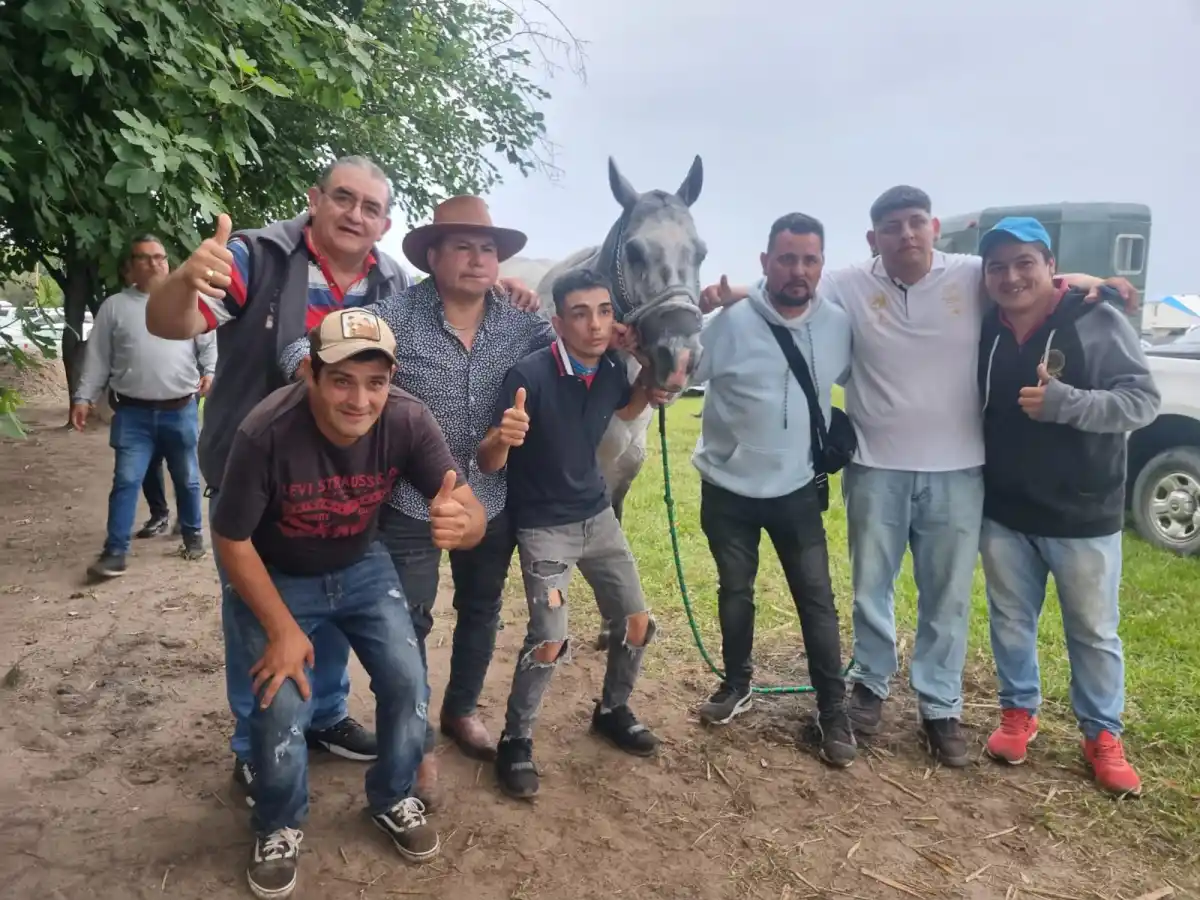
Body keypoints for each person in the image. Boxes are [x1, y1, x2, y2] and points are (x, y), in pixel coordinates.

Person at [701, 186, 1139, 766]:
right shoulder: (848, 282)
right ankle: (870, 689)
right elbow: (783, 286)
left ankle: (940, 707)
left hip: (959, 469)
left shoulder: (971, 275)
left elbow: (1031, 278)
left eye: (914, 223)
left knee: (947, 598)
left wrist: (1090, 281)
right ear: (872, 238)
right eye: (890, 226)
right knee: (870, 592)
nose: (905, 234)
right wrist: (719, 294)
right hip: (875, 466)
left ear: (933, 226)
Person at [147, 158, 536, 804]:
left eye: (371, 207)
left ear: (386, 222)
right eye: (343, 199)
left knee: (329, 606)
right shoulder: (258, 256)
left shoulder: (388, 276)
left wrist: (518, 293)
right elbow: (173, 322)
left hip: (344, 483)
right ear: (314, 199)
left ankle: (324, 716)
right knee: (260, 620)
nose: (356, 215)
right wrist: (182, 283)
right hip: (258, 469)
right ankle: (255, 748)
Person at [277, 195, 564, 807]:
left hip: (490, 495)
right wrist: (321, 384)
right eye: (462, 246)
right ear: (432, 256)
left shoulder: (522, 323)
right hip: (407, 502)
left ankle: (460, 712)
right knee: (405, 628)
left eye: (487, 248)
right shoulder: (395, 316)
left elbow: (573, 352)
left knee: (482, 610)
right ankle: (415, 744)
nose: (477, 258)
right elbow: (307, 349)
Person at [212, 307, 486, 898]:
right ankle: (278, 823)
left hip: (362, 564)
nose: (360, 400)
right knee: (281, 702)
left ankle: (392, 796)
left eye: (376, 382)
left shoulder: (409, 420)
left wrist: (460, 525)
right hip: (277, 571)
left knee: (408, 682)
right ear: (310, 373)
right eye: (341, 379)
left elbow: (473, 512)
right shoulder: (265, 431)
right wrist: (283, 630)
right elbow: (230, 539)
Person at [974, 218, 1158, 795]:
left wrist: (1068, 403)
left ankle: (1102, 734)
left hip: (1083, 511)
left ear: (1049, 264)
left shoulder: (1095, 318)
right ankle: (1017, 712)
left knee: (1094, 631)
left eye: (1024, 262)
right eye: (998, 266)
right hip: (1005, 510)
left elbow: (1143, 401)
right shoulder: (986, 324)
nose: (1011, 276)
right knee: (1010, 621)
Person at [476, 268, 669, 799]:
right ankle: (516, 741)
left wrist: (648, 372)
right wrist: (501, 436)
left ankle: (613, 709)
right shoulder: (528, 375)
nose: (595, 324)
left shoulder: (609, 368)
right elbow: (488, 461)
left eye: (605, 311)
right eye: (580, 314)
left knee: (635, 622)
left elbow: (625, 409)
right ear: (557, 322)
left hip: (599, 520)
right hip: (546, 534)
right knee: (550, 639)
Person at [688, 214, 856, 768]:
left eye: (809, 259)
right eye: (787, 258)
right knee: (735, 591)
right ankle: (737, 686)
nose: (798, 270)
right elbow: (680, 371)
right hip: (728, 488)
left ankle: (833, 710)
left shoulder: (838, 325)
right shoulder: (730, 321)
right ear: (765, 263)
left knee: (817, 601)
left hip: (797, 490)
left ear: (822, 265)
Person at [71, 234, 213, 579]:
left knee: (189, 479)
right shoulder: (114, 307)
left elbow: (208, 340)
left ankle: (193, 536)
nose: (154, 263)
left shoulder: (186, 298)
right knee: (126, 480)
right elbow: (98, 358)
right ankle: (115, 552)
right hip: (132, 414)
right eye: (144, 258)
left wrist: (210, 371)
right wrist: (83, 397)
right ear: (128, 268)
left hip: (180, 409)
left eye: (160, 257)